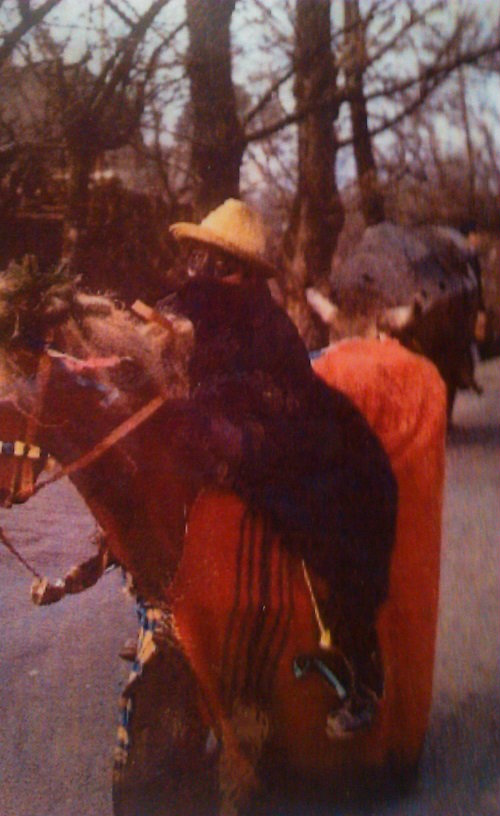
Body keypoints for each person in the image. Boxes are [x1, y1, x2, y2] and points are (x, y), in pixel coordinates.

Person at [160, 199, 398, 739]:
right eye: (201, 258)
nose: (206, 271)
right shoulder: (182, 307)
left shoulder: (269, 325)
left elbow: (283, 403)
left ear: (245, 273)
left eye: (221, 263)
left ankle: (358, 670)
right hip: (206, 434)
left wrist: (224, 420)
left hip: (293, 440)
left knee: (333, 520)